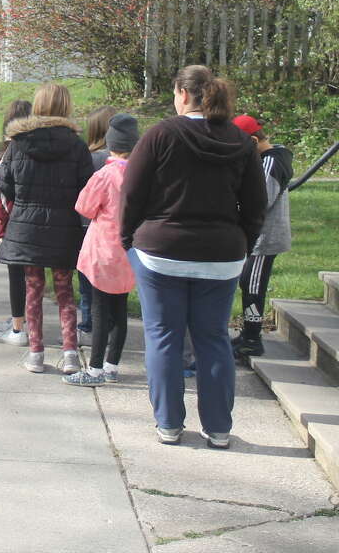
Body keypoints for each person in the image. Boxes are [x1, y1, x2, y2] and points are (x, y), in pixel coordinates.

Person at [121, 65, 266, 448]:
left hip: (160, 252)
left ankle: (168, 424)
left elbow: (131, 193)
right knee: (213, 337)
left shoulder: (160, 134)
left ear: (183, 95)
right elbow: (255, 204)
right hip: (222, 254)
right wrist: (241, 244)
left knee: (164, 336)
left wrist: (127, 240)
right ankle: (218, 429)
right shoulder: (241, 141)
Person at [0, 83, 94, 374]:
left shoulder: (18, 142)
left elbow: (5, 183)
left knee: (33, 290)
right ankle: (70, 352)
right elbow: (86, 187)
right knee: (64, 290)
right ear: (66, 106)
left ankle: (36, 353)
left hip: (27, 227)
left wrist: (25, 201)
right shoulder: (77, 145)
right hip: (64, 227)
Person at [64, 113, 139, 387]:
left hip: (102, 253)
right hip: (129, 253)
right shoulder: (142, 175)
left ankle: (94, 369)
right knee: (120, 311)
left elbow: (84, 206)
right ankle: (112, 365)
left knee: (99, 311)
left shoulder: (105, 174)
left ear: (111, 144)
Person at [231, 114, 294, 359]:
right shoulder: (269, 158)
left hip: (264, 238)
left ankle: (253, 339)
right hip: (257, 236)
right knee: (248, 282)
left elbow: (260, 201)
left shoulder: (270, 163)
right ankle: (248, 332)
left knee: (253, 284)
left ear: (254, 141)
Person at [0, 99, 32, 346]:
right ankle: (22, 320)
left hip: (16, 218)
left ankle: (18, 326)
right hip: (42, 220)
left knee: (17, 273)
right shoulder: (43, 147)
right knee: (32, 276)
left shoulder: (13, 149)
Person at [77, 105, 118, 341]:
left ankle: (88, 323)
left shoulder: (92, 159)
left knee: (87, 282)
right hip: (117, 231)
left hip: (88, 227)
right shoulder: (126, 162)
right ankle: (111, 322)